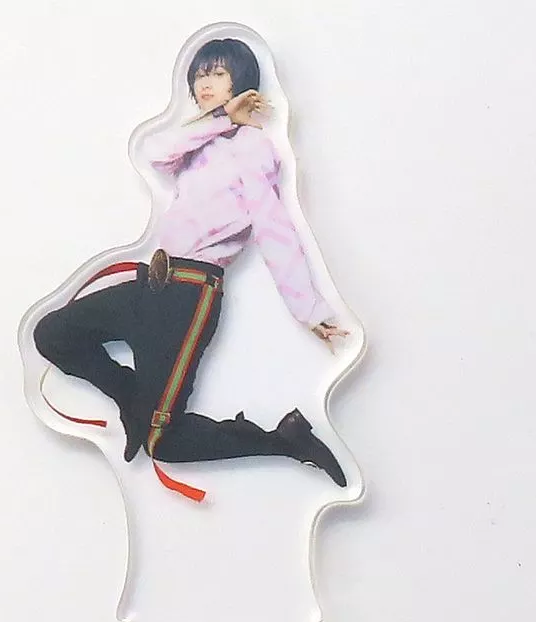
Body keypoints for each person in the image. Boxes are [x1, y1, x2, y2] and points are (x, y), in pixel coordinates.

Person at [33, 37, 349, 500]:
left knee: (162, 443)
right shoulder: (202, 139)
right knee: (51, 334)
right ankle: (132, 398)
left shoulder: (253, 147)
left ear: (242, 81)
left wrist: (310, 309)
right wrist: (221, 119)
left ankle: (285, 440)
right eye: (201, 74)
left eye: (218, 74)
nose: (205, 83)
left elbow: (274, 228)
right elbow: (154, 153)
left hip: (190, 297)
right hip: (151, 285)